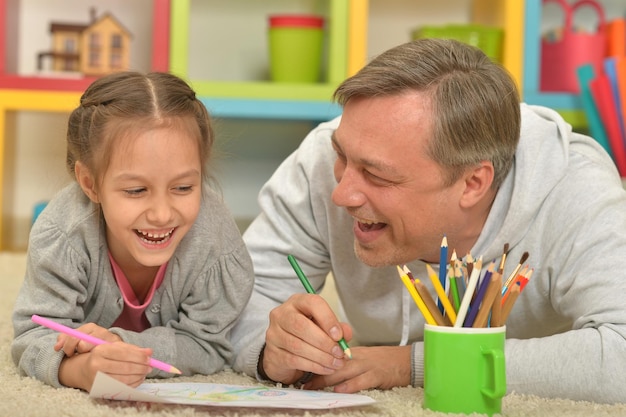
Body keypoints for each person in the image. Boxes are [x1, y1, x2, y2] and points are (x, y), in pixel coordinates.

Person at [231, 38, 626, 404]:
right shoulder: (326, 157)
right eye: (342, 156)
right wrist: (270, 351)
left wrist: (411, 364)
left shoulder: (576, 188)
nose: (342, 194)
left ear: (473, 183)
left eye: (378, 176)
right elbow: (234, 303)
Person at [12, 71, 254, 391]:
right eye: (136, 190)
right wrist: (80, 370)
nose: (162, 214)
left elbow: (209, 344)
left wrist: (119, 341)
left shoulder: (217, 245)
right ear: (90, 183)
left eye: (183, 187)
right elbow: (32, 337)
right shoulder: (62, 235)